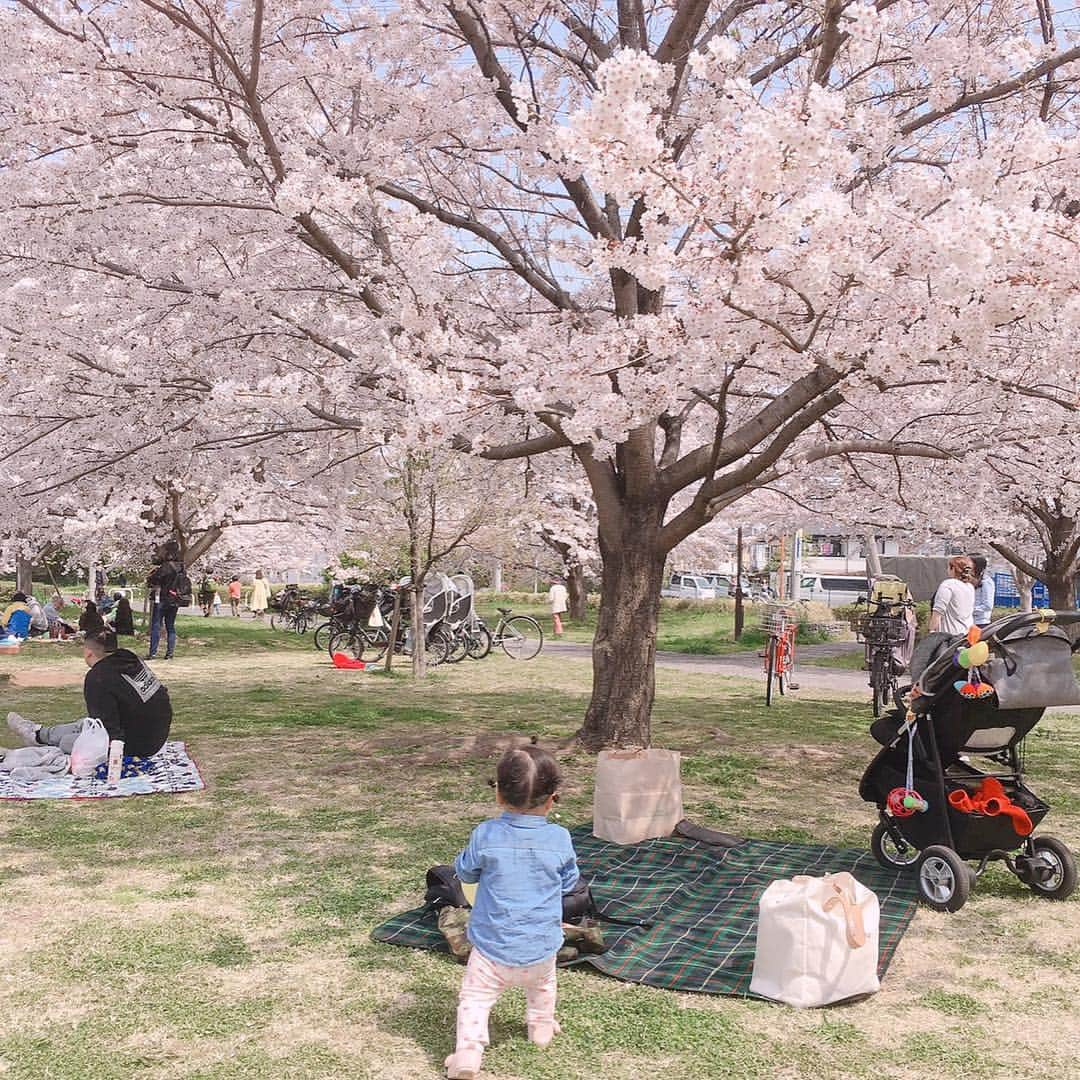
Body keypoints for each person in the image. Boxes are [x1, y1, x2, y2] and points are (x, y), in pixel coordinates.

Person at [444, 745, 579, 1080]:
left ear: (499, 795)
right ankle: (541, 1029)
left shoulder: (485, 835)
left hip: (492, 949)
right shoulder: (560, 838)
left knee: (475, 999)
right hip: (542, 947)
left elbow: (466, 873)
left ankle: (468, 1053)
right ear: (552, 799)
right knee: (543, 988)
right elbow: (569, 881)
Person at [7, 628, 172, 757]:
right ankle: (38, 734)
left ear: (88, 652)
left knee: (67, 742)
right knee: (83, 724)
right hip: (158, 732)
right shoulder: (129, 657)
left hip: (136, 744)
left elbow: (105, 728)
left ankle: (43, 740)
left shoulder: (98, 677)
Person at [147, 540, 184, 660]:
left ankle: (153, 652)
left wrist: (151, 575)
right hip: (175, 600)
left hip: (162, 599)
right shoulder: (181, 566)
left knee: (156, 625)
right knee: (170, 626)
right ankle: (170, 653)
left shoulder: (164, 567)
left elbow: (153, 580)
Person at [929, 555, 975, 636]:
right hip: (966, 634)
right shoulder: (970, 587)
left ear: (953, 568)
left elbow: (938, 612)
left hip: (949, 635)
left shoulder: (948, 584)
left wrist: (931, 631)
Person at [969, 554, 995, 629]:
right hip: (968, 621)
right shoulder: (969, 580)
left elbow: (988, 606)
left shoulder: (986, 582)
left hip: (980, 623)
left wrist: (969, 610)